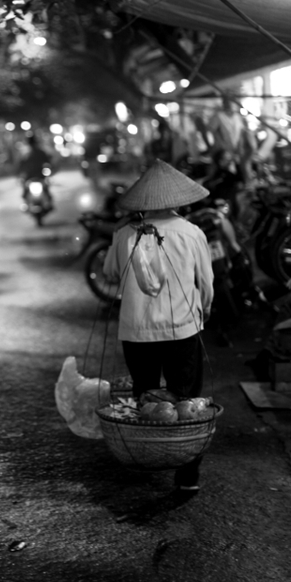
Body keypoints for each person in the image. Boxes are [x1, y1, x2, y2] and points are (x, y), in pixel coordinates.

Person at [103, 159, 214, 495]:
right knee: (186, 400)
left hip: (136, 331)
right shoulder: (191, 232)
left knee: (146, 396)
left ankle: (145, 457)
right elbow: (206, 283)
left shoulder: (124, 234)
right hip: (182, 329)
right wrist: (204, 310)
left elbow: (110, 272)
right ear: (178, 200)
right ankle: (187, 474)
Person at [18, 134, 53, 205]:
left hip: (38, 176)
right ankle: (26, 203)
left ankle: (48, 201)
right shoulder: (28, 154)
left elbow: (48, 162)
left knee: (46, 187)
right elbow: (21, 165)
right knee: (25, 189)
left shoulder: (31, 153)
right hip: (32, 177)